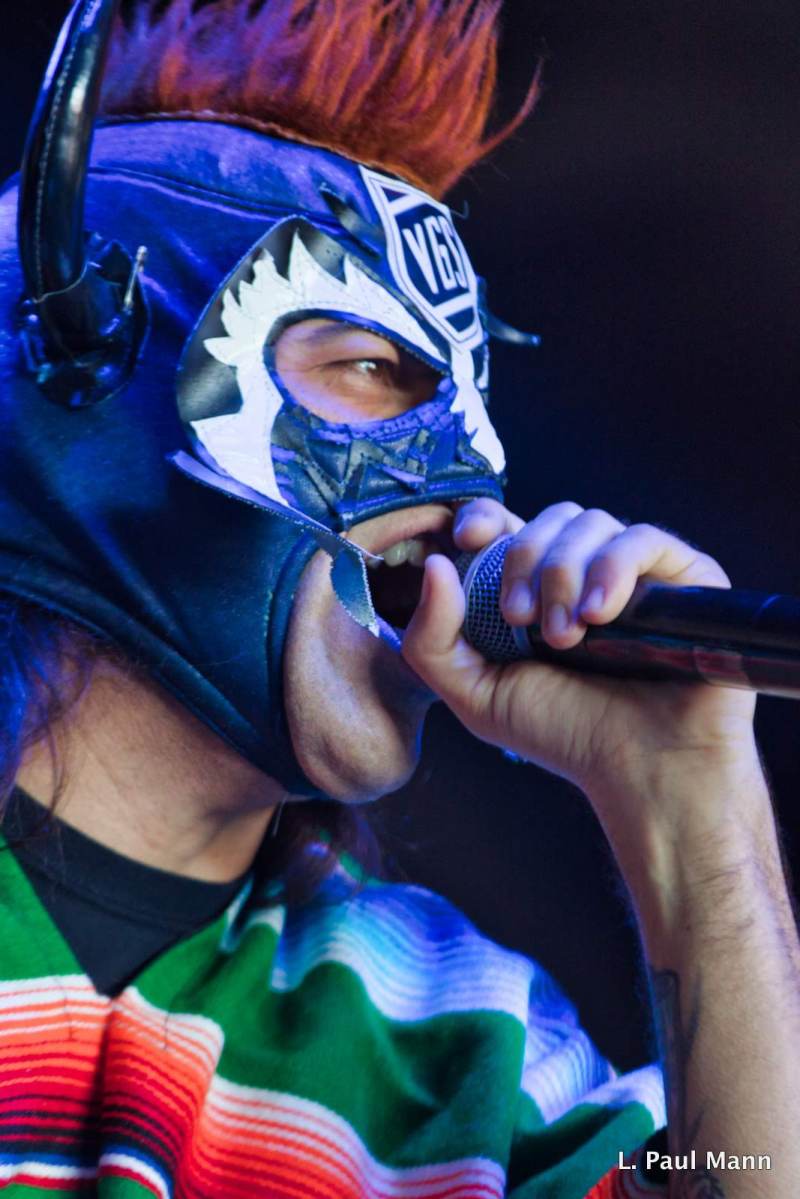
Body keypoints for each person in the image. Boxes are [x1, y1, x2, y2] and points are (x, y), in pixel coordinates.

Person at [0, 1, 797, 1196]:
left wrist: (692, 806)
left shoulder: (475, 1049)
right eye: (372, 368)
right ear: (93, 398)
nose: (472, 485)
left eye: (472, 403)